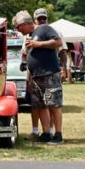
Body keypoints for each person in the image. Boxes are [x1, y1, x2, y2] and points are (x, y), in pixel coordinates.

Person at [12, 8, 66, 144]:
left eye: (18, 28)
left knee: (54, 105)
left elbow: (58, 42)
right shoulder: (30, 35)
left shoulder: (44, 29)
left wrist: (38, 44)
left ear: (25, 24)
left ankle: (58, 134)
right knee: (40, 106)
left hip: (49, 74)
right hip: (35, 77)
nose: (19, 31)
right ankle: (46, 132)